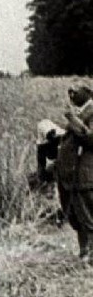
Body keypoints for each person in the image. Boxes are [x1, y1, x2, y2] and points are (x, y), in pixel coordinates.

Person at [55, 85, 93, 261]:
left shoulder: (90, 111)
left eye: (75, 90)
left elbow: (90, 139)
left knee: (88, 217)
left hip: (84, 174)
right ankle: (84, 252)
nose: (71, 94)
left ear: (88, 92)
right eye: (69, 90)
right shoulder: (81, 112)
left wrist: (72, 118)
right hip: (71, 176)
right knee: (77, 218)